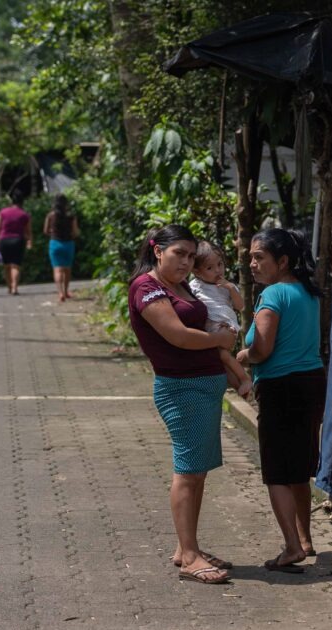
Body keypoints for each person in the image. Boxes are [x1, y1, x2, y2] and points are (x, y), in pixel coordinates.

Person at [128, 224, 238, 585]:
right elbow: (177, 335)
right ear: (157, 251)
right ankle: (190, 557)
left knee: (198, 470)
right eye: (179, 253)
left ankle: (185, 548)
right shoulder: (147, 288)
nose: (187, 262)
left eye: (192, 256)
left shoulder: (180, 286)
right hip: (181, 388)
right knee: (188, 471)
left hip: (205, 385)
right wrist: (217, 339)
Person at [236, 228, 326, 573]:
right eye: (251, 257)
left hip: (281, 387)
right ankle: (305, 539)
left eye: (260, 257)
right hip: (311, 383)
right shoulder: (309, 292)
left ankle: (291, 547)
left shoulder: (273, 294)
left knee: (276, 472)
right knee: (300, 470)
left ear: (283, 261)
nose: (252, 263)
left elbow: (263, 349)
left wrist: (243, 356)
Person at [189, 241, 253, 399]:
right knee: (221, 362)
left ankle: (245, 379)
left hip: (225, 326)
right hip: (209, 328)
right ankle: (240, 387)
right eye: (210, 268)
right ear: (196, 271)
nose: (218, 270)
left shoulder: (227, 286)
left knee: (222, 356)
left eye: (220, 264)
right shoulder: (194, 286)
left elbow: (240, 306)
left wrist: (231, 289)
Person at [0, 189, 32, 295]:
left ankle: (9, 287)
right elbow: (28, 231)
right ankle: (15, 287)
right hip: (18, 240)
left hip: (4, 240)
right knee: (16, 265)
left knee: (6, 266)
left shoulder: (2, 212)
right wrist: (29, 242)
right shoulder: (24, 214)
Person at [43, 194, 80, 302]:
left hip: (55, 243)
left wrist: (52, 232)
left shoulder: (50, 216)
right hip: (68, 244)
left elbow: (45, 231)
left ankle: (60, 293)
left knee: (57, 269)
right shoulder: (71, 216)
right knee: (67, 269)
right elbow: (76, 232)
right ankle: (66, 291)